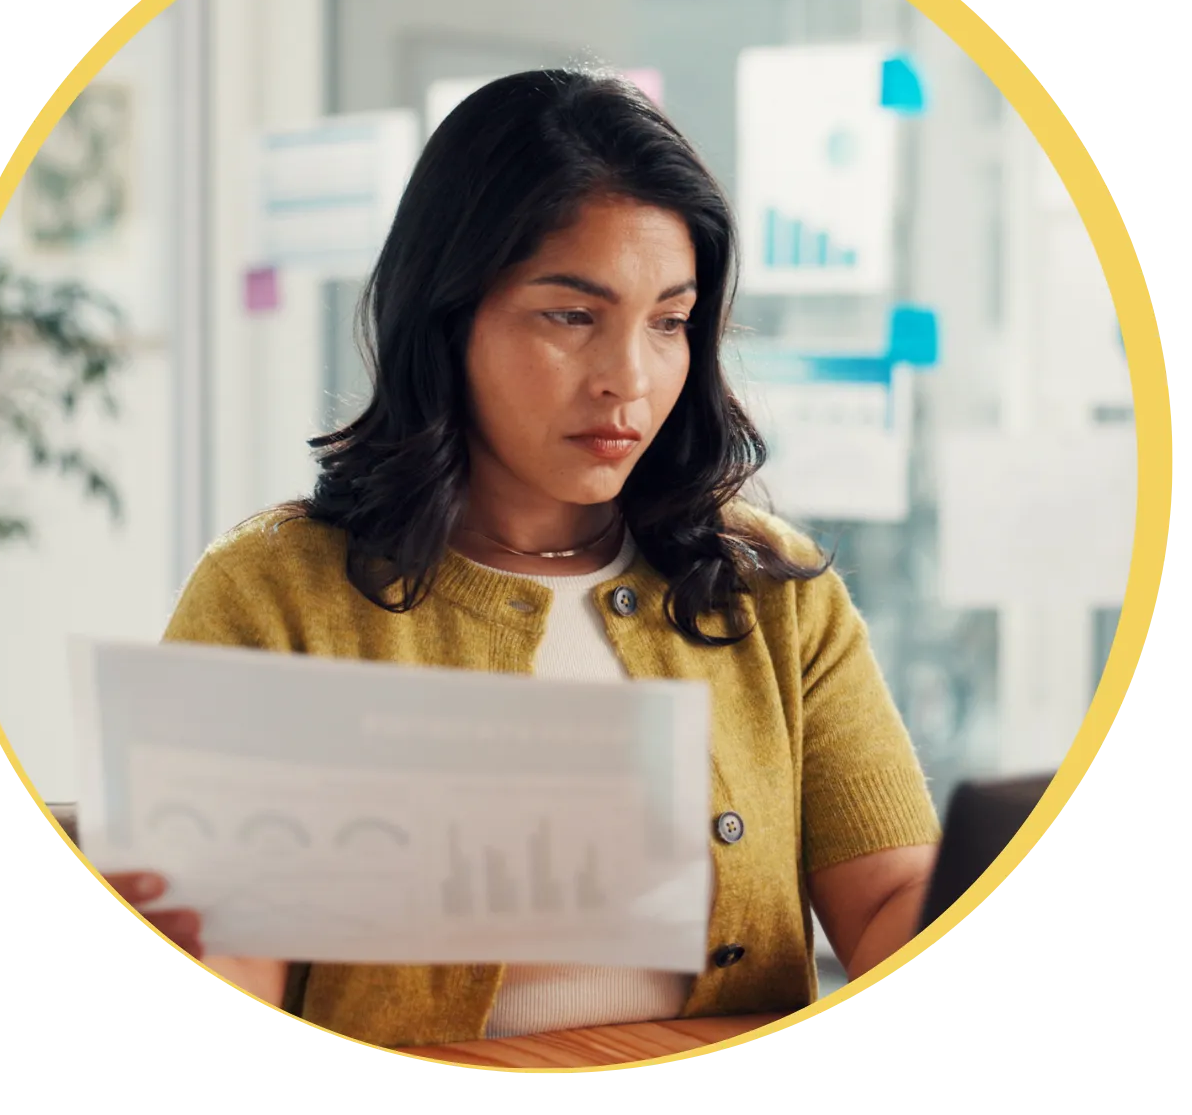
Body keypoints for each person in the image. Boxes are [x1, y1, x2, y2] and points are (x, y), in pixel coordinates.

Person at [105, 69, 941, 1049]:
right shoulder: (271, 591)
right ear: (448, 315)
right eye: (571, 315)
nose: (627, 378)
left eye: (668, 321)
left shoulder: (768, 585)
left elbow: (888, 896)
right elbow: (231, 953)